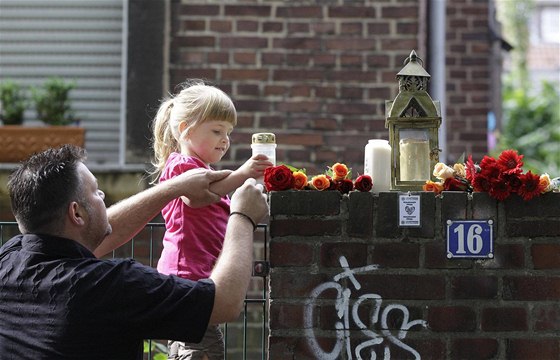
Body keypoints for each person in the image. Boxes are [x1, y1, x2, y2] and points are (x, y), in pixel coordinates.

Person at [0, 145, 269, 359]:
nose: (103, 195)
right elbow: (224, 303)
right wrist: (242, 216)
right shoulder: (112, 285)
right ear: (76, 212)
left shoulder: (8, 259)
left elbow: (98, 233)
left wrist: (173, 188)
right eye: (97, 192)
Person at [150, 80, 272, 359]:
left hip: (197, 278)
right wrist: (243, 174)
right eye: (217, 131)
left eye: (228, 133)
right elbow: (199, 195)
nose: (225, 140)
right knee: (203, 351)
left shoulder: (203, 169)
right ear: (185, 130)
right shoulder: (181, 165)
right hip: (186, 277)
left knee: (201, 346)